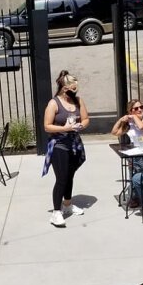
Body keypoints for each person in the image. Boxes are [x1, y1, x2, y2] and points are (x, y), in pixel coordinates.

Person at [42, 70, 90, 228]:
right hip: (59, 144)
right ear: (64, 88)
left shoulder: (78, 101)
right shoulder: (53, 103)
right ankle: (56, 212)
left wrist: (81, 125)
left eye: (76, 88)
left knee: (69, 175)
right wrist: (65, 128)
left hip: (74, 143)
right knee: (62, 178)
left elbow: (85, 119)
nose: (75, 92)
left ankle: (68, 204)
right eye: (73, 89)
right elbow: (47, 127)